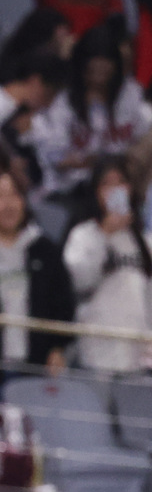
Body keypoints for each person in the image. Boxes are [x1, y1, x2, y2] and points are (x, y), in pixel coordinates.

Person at [63, 153, 152, 372]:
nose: (115, 190)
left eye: (121, 183)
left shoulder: (147, 240)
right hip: (95, 350)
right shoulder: (83, 235)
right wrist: (105, 233)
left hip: (138, 351)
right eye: (107, 184)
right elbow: (79, 282)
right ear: (96, 191)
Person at [29, 19, 152, 198]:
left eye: (106, 61)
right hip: (70, 189)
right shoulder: (62, 102)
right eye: (94, 60)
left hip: (120, 185)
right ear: (82, 64)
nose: (100, 67)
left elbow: (143, 147)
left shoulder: (130, 95)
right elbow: (55, 159)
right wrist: (89, 162)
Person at [0, 158, 73, 376]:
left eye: (14, 195)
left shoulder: (44, 249)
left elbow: (63, 304)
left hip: (36, 365)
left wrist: (57, 348)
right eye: (0, 196)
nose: (8, 205)